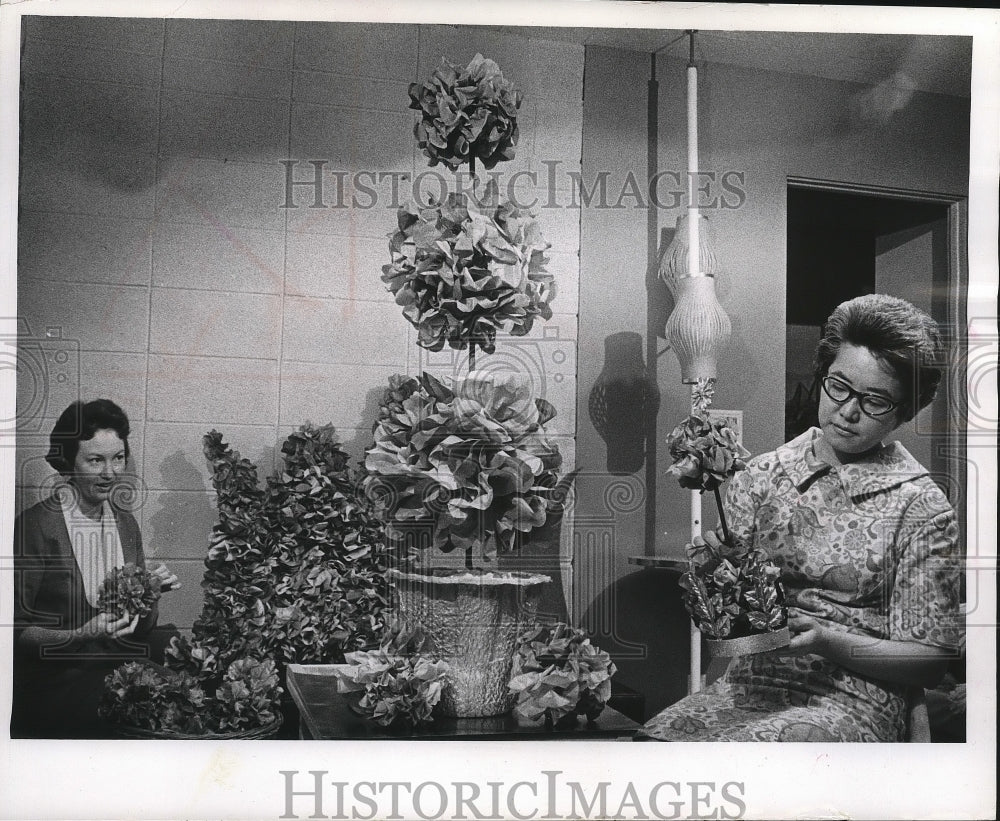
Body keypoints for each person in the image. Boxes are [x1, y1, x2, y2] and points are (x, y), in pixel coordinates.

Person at [637, 294, 962, 742]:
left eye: (876, 401)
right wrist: (717, 571)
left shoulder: (921, 507)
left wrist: (827, 639)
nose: (848, 411)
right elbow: (735, 623)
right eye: (839, 386)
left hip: (857, 697)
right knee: (656, 745)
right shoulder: (762, 474)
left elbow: (932, 660)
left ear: (905, 411)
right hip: (746, 687)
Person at [11, 399, 180, 738]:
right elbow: (15, 634)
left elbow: (141, 629)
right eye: (95, 460)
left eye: (118, 458)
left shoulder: (126, 524)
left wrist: (151, 593)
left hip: (115, 665)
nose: (110, 472)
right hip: (59, 680)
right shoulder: (36, 527)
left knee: (184, 691)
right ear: (67, 462)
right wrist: (81, 634)